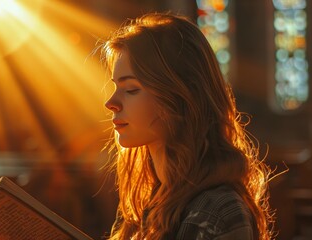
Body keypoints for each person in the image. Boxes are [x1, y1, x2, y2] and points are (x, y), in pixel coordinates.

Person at [101, 12, 274, 240]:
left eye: (131, 89)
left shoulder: (219, 213)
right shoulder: (150, 201)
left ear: (181, 97)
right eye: (115, 87)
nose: (110, 103)